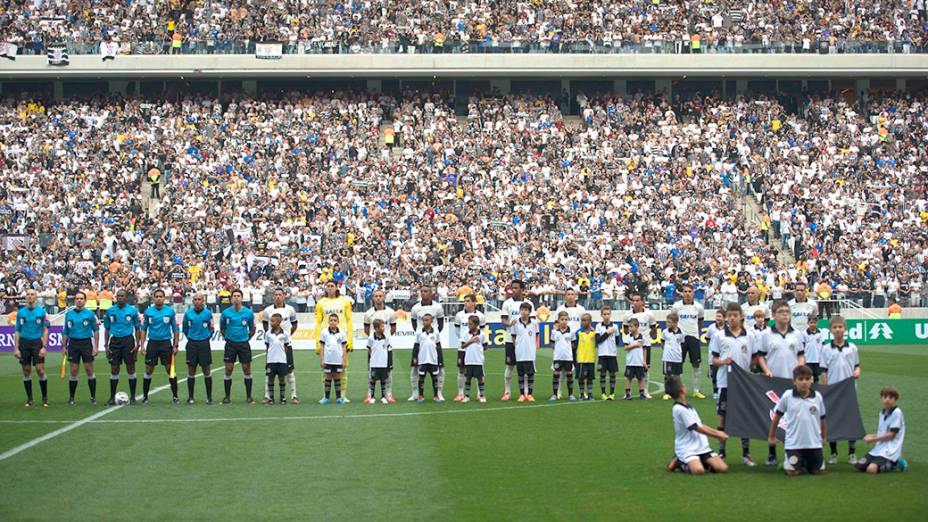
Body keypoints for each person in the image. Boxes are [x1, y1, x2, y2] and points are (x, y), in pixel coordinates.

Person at [712, 302, 765, 466]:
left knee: (745, 417)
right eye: (730, 315)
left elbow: (756, 356)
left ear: (741, 316)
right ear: (727, 317)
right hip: (725, 383)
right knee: (723, 418)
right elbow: (713, 360)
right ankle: (722, 453)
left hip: (743, 384)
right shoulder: (719, 336)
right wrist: (723, 362)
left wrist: (746, 368)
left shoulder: (749, 336)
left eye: (736, 315)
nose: (733, 318)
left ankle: (746, 454)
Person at [757, 299, 805, 465]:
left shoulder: (797, 334)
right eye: (781, 312)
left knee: (792, 418)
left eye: (787, 312)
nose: (785, 314)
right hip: (773, 382)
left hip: (792, 382)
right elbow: (760, 355)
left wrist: (800, 371)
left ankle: (791, 451)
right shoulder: (765, 335)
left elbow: (800, 355)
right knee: (774, 418)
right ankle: (771, 452)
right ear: (774, 315)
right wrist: (766, 370)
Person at [768, 365, 827, 477]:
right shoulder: (787, 396)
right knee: (792, 473)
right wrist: (771, 436)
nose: (804, 382)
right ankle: (789, 463)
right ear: (794, 381)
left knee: (818, 472)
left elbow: (822, 418)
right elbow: (777, 417)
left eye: (807, 379)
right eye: (800, 379)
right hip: (794, 444)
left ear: (811, 380)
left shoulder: (817, 397)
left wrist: (823, 437)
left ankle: (804, 462)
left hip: (813, 443)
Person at [665, 375, 729, 475]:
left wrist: (718, 432)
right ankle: (679, 461)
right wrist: (717, 435)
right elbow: (696, 428)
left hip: (701, 446)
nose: (685, 385)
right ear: (681, 390)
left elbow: (700, 425)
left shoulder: (689, 407)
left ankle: (702, 461)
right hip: (687, 448)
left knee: (723, 468)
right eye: (683, 385)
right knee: (698, 471)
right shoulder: (679, 409)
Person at [820, 315, 861, 465]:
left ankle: (852, 452)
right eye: (834, 327)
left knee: (851, 420)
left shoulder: (852, 348)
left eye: (840, 327)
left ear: (845, 329)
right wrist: (826, 389)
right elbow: (823, 370)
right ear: (830, 330)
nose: (838, 330)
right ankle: (833, 453)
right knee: (832, 421)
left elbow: (856, 365)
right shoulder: (825, 348)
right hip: (833, 390)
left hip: (849, 389)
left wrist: (857, 371)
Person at [315, 280, 354, 402]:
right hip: (326, 340)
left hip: (341, 339)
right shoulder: (321, 302)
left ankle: (342, 395)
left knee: (343, 368)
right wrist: (317, 341)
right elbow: (318, 322)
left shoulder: (345, 301)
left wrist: (350, 339)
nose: (330, 288)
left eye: (332, 286)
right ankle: (325, 396)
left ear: (337, 287)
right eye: (328, 286)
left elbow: (349, 320)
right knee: (325, 368)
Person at [139, 289, 180, 404]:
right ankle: (145, 396)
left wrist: (176, 345)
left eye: (160, 296)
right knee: (148, 369)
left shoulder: (170, 311)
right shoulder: (148, 312)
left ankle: (175, 396)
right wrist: (142, 345)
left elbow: (176, 329)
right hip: (152, 343)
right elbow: (143, 329)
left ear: (164, 298)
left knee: (170, 369)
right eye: (156, 296)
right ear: (153, 298)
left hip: (166, 343)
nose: (158, 298)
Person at [856, 386, 908, 473]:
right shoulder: (882, 413)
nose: (887, 400)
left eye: (891, 397)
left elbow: (892, 435)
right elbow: (883, 432)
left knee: (871, 470)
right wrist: (871, 436)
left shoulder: (897, 413)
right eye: (885, 397)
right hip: (879, 448)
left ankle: (894, 462)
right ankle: (889, 461)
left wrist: (873, 439)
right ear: (881, 398)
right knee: (860, 466)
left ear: (895, 399)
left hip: (890, 449)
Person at [103, 289, 142, 405]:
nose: (120, 298)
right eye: (118, 296)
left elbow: (137, 328)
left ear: (126, 297)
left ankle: (133, 397)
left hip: (128, 340)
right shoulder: (110, 311)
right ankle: (111, 397)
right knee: (114, 369)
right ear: (116, 297)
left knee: (131, 368)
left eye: (122, 296)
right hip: (114, 341)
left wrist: (138, 344)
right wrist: (106, 345)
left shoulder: (132, 310)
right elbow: (107, 329)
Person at [13, 289, 51, 407]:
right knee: (26, 371)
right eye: (28, 294)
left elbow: (45, 330)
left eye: (32, 294)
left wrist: (44, 346)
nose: (29, 296)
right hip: (24, 343)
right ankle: (30, 399)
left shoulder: (42, 312)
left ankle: (44, 398)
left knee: (40, 369)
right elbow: (17, 330)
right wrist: (16, 348)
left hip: (36, 343)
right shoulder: (21, 313)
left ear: (36, 297)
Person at [219, 289, 256, 404]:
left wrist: (246, 338)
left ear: (242, 298)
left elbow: (252, 329)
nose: (236, 298)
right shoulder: (225, 313)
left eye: (238, 296)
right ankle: (227, 397)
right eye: (234, 296)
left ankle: (249, 396)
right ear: (231, 298)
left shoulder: (248, 313)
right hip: (230, 344)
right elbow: (222, 329)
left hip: (243, 344)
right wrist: (228, 338)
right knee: (228, 369)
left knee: (246, 368)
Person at [62, 291, 99, 405]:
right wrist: (64, 346)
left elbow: (96, 330)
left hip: (86, 343)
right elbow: (65, 331)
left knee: (89, 369)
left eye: (81, 298)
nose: (79, 300)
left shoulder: (90, 314)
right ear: (75, 300)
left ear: (85, 300)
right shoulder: (69, 314)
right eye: (77, 298)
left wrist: (96, 347)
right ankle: (71, 397)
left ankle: (93, 397)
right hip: (73, 343)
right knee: (73, 370)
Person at [263, 289, 299, 404]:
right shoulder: (268, 310)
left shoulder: (290, 310)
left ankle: (293, 395)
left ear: (284, 296)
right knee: (270, 371)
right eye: (276, 294)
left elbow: (294, 325)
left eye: (280, 295)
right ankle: (267, 396)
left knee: (289, 369)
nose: (278, 297)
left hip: (287, 344)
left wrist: (286, 336)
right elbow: (265, 325)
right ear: (273, 296)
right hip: (273, 345)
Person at [500, 279, 534, 401]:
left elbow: (533, 321)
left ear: (522, 289)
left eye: (515, 288)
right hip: (510, 339)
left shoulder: (529, 304)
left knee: (525, 367)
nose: (513, 290)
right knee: (509, 366)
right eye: (512, 288)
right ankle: (507, 392)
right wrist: (509, 324)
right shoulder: (507, 303)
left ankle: (526, 393)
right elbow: (503, 320)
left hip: (525, 341)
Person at [409, 285, 444, 401]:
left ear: (431, 293)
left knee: (439, 368)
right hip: (420, 341)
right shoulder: (415, 308)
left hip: (433, 342)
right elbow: (414, 324)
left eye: (426, 291)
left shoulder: (438, 307)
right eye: (422, 291)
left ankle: (439, 393)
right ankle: (415, 393)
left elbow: (441, 324)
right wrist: (421, 333)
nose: (424, 293)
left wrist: (433, 334)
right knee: (415, 368)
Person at [671, 284, 706, 399]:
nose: (687, 293)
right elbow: (673, 320)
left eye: (690, 291)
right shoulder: (676, 306)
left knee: (696, 363)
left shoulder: (699, 307)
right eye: (685, 291)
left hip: (693, 337)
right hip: (680, 338)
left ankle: (696, 390)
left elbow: (700, 321)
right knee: (678, 363)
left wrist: (696, 332)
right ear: (682, 293)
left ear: (693, 293)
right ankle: (679, 389)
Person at [363, 289, 397, 402]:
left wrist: (384, 339)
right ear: (373, 298)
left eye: (380, 296)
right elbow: (367, 330)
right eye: (376, 296)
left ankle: (388, 394)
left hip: (386, 347)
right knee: (371, 372)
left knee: (388, 372)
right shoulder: (368, 313)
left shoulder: (391, 312)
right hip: (374, 348)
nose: (378, 298)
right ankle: (369, 394)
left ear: (384, 297)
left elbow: (393, 329)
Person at [182, 293, 214, 404]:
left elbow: (212, 328)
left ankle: (209, 397)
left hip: (204, 344)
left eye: (199, 299)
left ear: (203, 301)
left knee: (206, 370)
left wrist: (205, 337)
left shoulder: (208, 314)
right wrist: (192, 338)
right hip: (192, 344)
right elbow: (185, 329)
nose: (196, 301)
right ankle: (190, 397)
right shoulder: (188, 314)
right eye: (195, 299)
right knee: (191, 370)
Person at [624, 293, 657, 399]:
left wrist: (645, 338)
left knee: (645, 368)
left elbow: (653, 328)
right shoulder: (628, 315)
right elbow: (625, 329)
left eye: (637, 300)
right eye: (633, 300)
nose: (635, 303)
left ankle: (645, 391)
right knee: (630, 371)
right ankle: (628, 392)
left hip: (645, 345)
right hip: (633, 345)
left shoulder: (649, 314)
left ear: (642, 302)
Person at [453, 294, 484, 402]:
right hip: (463, 347)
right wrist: (465, 340)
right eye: (464, 301)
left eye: (468, 301)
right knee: (462, 370)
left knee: (478, 371)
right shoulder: (459, 315)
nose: (465, 303)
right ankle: (460, 393)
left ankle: (480, 394)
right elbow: (457, 331)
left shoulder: (480, 316)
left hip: (476, 349)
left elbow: (483, 332)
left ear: (474, 303)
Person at [509, 302, 539, 402]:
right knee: (521, 374)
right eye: (522, 310)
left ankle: (530, 394)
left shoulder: (534, 323)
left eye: (526, 310)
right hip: (520, 352)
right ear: (520, 311)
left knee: (530, 374)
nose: (524, 312)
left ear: (530, 312)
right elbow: (513, 336)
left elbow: (537, 335)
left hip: (530, 353)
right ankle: (522, 394)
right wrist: (516, 346)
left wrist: (534, 346)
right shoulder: (515, 322)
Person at [412, 313, 442, 403]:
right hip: (422, 359)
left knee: (434, 378)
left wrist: (440, 360)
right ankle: (421, 396)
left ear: (431, 321)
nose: (425, 322)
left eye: (427, 320)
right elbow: (416, 346)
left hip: (433, 359)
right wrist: (414, 357)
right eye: (424, 320)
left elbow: (438, 346)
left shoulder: (436, 332)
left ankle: (436, 395)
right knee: (421, 378)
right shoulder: (419, 333)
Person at [319, 313, 348, 405]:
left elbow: (344, 347)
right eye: (331, 320)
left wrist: (344, 360)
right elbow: (322, 346)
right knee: (327, 378)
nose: (333, 322)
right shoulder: (324, 332)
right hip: (328, 360)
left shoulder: (342, 333)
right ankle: (326, 398)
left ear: (338, 322)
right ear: (328, 321)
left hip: (338, 360)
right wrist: (322, 359)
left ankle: (339, 398)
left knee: (337, 378)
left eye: (335, 320)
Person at [263, 313, 291, 405]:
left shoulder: (285, 334)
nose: (271, 323)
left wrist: (284, 357)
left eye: (273, 321)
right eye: (270, 320)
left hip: (281, 360)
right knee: (270, 379)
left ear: (279, 322)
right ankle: (271, 398)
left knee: (282, 379)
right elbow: (267, 347)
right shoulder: (268, 334)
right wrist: (267, 359)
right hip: (271, 360)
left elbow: (286, 346)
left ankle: (282, 398)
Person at [460, 315, 488, 403]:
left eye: (470, 324)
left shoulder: (482, 334)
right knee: (468, 378)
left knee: (480, 378)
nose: (469, 325)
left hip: (478, 360)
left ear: (476, 325)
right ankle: (467, 396)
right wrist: (470, 341)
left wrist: (479, 352)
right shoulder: (466, 334)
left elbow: (485, 345)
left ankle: (482, 395)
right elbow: (463, 346)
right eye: (468, 324)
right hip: (468, 360)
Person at [549, 311, 576, 401]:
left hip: (568, 357)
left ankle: (571, 394)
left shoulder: (571, 332)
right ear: (558, 320)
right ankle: (554, 394)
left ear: (568, 320)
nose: (564, 321)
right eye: (562, 319)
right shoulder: (554, 332)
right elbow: (552, 344)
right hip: (557, 357)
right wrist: (557, 351)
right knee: (556, 374)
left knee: (569, 374)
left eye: (565, 319)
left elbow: (573, 344)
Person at [595, 307, 620, 400]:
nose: (606, 316)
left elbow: (617, 341)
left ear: (611, 315)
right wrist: (607, 333)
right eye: (604, 314)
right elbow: (598, 340)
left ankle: (612, 393)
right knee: (602, 374)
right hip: (602, 354)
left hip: (612, 354)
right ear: (601, 315)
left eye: (608, 314)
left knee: (612, 374)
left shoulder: (615, 326)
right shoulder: (598, 326)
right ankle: (603, 393)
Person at [365, 319, 392, 404]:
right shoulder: (371, 338)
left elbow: (388, 348)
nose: (383, 328)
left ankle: (383, 396)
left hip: (383, 363)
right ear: (376, 328)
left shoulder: (386, 337)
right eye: (382, 326)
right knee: (373, 380)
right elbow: (369, 349)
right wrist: (373, 358)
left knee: (383, 380)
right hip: (374, 363)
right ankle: (372, 397)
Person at [660, 311, 685, 401]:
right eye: (667, 322)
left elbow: (681, 343)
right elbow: (662, 342)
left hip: (677, 357)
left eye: (669, 322)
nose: (667, 324)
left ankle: (677, 391)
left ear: (675, 322)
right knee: (667, 375)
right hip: (668, 357)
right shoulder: (665, 332)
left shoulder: (681, 333)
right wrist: (666, 351)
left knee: (677, 375)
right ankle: (667, 392)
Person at [622, 318, 648, 400]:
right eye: (629, 327)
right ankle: (628, 393)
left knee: (640, 378)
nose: (629, 328)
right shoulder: (627, 337)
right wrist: (634, 345)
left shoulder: (642, 337)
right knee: (629, 378)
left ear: (636, 326)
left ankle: (642, 393)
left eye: (631, 326)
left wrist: (644, 361)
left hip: (639, 362)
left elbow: (644, 350)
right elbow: (625, 347)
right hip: (630, 362)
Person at [574, 313, 597, 400]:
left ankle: (590, 394)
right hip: (581, 359)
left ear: (590, 321)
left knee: (590, 378)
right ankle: (582, 394)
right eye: (582, 320)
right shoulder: (578, 332)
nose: (583, 322)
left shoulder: (594, 332)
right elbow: (574, 345)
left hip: (591, 359)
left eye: (585, 320)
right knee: (581, 378)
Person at [705, 310, 725, 400]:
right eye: (717, 316)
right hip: (713, 355)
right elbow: (707, 338)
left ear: (724, 318)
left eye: (720, 316)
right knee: (714, 375)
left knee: (724, 374)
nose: (718, 318)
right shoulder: (711, 327)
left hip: (724, 355)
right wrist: (713, 347)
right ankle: (715, 392)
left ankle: (724, 391)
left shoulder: (727, 328)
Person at [801, 311, 823, 383]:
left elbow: (822, 345)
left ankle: (816, 388)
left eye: (815, 322)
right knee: (808, 376)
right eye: (811, 322)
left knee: (816, 376)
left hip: (817, 359)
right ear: (808, 323)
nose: (813, 324)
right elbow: (802, 346)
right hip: (808, 359)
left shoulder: (820, 333)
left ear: (817, 323)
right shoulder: (804, 334)